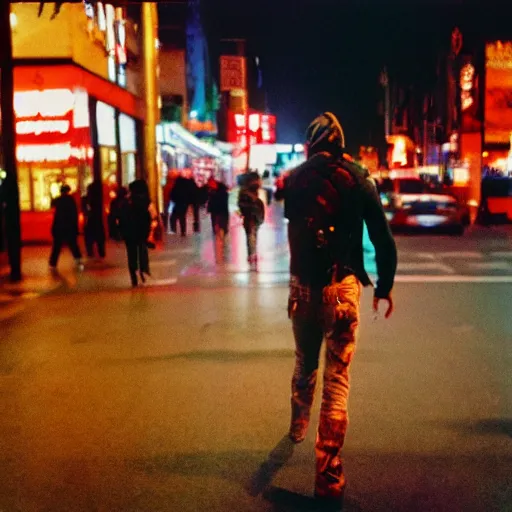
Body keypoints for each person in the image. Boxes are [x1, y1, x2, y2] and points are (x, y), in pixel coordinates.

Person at [275, 112, 397, 509]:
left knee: (303, 360)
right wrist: (384, 286)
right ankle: (327, 476)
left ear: (311, 143)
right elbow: (382, 239)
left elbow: (296, 230)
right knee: (337, 380)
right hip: (341, 286)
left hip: (302, 287)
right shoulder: (359, 178)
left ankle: (298, 421)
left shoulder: (293, 180)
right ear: (341, 142)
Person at [117, 179, 151, 287]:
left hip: (129, 233)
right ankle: (143, 273)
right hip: (141, 232)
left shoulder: (126, 202)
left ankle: (134, 277)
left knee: (131, 254)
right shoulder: (146, 202)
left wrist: (121, 231)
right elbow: (150, 217)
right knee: (142, 252)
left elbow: (120, 217)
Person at [49, 184, 84, 271]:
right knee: (73, 244)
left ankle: (53, 263)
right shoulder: (71, 200)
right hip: (70, 226)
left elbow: (53, 207)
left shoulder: (58, 200)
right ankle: (78, 260)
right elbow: (74, 215)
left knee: (57, 246)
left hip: (59, 227)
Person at [237, 171, 265, 271]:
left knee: (252, 235)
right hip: (250, 217)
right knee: (250, 235)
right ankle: (251, 254)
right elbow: (242, 205)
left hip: (256, 217)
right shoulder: (247, 192)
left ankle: (252, 253)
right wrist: (252, 207)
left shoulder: (254, 191)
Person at [206, 175, 230, 263]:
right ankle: (219, 238)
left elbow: (221, 202)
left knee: (223, 226)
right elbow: (209, 200)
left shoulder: (222, 191)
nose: (209, 185)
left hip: (222, 211)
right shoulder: (211, 190)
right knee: (216, 227)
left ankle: (223, 241)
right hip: (215, 212)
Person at [83, 181, 106, 259]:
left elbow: (86, 210)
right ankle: (100, 252)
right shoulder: (99, 199)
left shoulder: (88, 199)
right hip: (97, 221)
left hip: (91, 220)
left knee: (89, 237)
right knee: (99, 237)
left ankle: (91, 252)